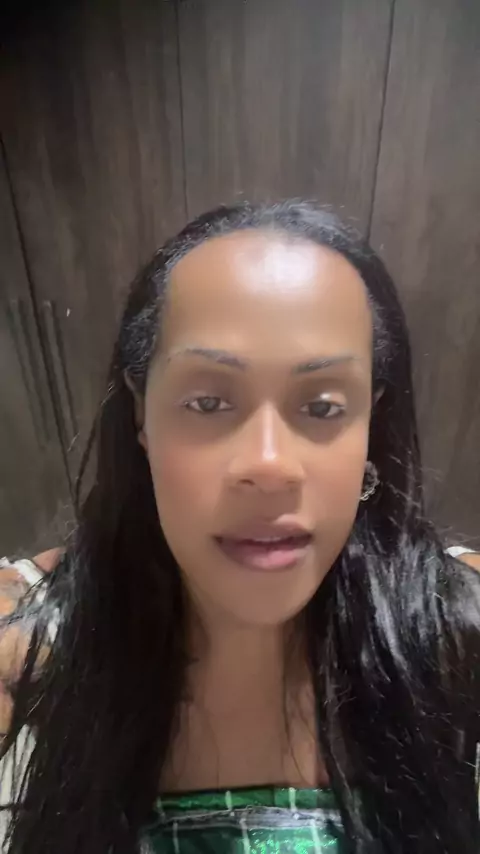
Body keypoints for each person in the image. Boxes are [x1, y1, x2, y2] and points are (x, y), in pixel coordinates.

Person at [0, 200, 479, 854]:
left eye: (322, 406)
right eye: (208, 402)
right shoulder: (33, 635)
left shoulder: (450, 630)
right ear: (142, 414)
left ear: (370, 420)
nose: (269, 465)